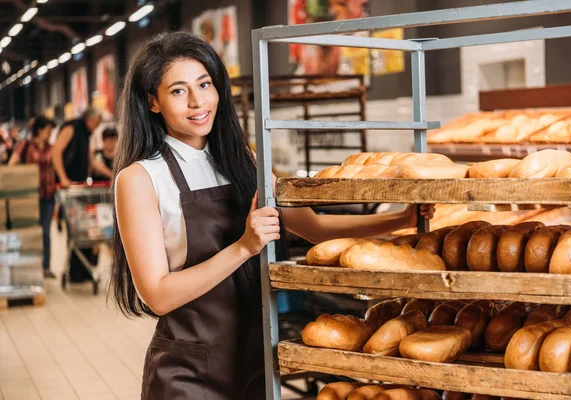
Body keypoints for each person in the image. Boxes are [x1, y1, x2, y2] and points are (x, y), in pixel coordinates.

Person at [111, 31, 435, 400]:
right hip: (188, 373)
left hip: (255, 362)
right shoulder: (140, 178)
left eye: (205, 84)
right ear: (153, 102)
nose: (198, 101)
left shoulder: (242, 161)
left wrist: (400, 219)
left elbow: (314, 228)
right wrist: (244, 247)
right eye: (178, 91)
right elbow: (158, 296)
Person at [52, 107, 103, 283]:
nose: (97, 127)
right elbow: (56, 152)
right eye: (97, 123)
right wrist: (63, 177)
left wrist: (112, 174)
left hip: (80, 188)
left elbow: (91, 160)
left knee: (85, 228)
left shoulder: (86, 134)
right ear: (90, 119)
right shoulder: (72, 128)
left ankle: (84, 270)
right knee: (76, 230)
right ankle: (75, 271)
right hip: (69, 188)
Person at [9, 116, 57, 278]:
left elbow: (57, 167)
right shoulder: (26, 146)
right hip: (30, 197)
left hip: (48, 195)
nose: (50, 133)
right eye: (48, 130)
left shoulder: (52, 148)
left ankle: (45, 266)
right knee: (30, 231)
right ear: (39, 130)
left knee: (45, 231)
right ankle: (30, 264)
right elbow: (12, 164)